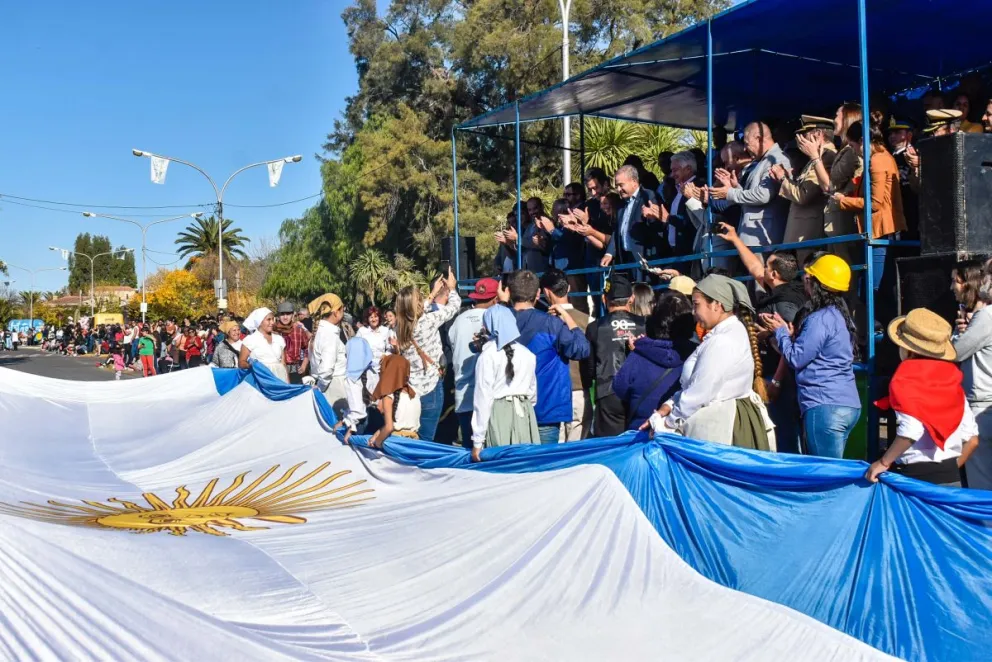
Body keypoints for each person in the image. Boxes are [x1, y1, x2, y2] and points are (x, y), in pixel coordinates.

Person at [644, 274, 775, 450]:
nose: (693, 312)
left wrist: (666, 424)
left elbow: (700, 392)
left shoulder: (722, 341)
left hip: (722, 432)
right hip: (718, 426)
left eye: (696, 305)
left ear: (717, 305)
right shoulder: (724, 334)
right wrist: (668, 406)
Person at [866, 309, 979, 487]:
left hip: (915, 480)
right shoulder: (952, 382)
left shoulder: (905, 380)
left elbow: (911, 430)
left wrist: (883, 463)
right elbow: (972, 439)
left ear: (908, 349)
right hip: (951, 477)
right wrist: (950, 471)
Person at [764, 254, 861, 458]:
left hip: (824, 405)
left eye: (808, 279)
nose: (804, 283)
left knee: (825, 473)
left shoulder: (820, 318)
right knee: (833, 470)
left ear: (815, 284)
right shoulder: (841, 316)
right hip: (847, 404)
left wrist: (781, 332)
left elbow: (796, 358)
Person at [508, 269, 590, 443]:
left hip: (508, 411)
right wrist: (568, 319)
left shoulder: (498, 323)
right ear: (538, 294)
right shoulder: (552, 323)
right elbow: (581, 349)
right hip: (546, 410)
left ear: (509, 292)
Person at [394, 267, 461, 441]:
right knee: (426, 437)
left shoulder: (399, 328)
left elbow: (413, 314)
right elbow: (454, 307)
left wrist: (432, 294)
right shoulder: (428, 321)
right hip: (431, 386)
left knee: (412, 434)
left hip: (411, 388)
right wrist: (452, 289)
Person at [614, 292, 694, 431]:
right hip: (682, 437)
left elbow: (620, 388)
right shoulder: (698, 354)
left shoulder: (639, 354)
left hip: (641, 437)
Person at [470, 304, 539, 461]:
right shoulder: (528, 354)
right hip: (524, 413)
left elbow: (483, 399)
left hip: (498, 416)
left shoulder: (487, 356)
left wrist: (478, 441)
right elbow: (532, 395)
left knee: (501, 469)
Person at [709, 121, 792, 251]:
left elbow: (764, 195)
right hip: (754, 236)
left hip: (763, 237)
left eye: (747, 144)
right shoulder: (763, 161)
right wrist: (735, 187)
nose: (744, 149)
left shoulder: (777, 159)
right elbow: (753, 196)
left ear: (759, 138)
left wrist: (730, 193)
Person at [584, 273, 646, 437]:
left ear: (605, 299)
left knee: (610, 447)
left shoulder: (594, 327)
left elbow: (589, 369)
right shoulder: (645, 324)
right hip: (640, 390)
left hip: (607, 391)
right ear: (631, 298)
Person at [951, 260, 992, 490]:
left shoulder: (986, 316)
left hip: (983, 409)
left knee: (981, 485)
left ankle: (984, 527)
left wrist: (957, 335)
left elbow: (955, 352)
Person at [447, 277, 500, 448]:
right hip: (489, 399)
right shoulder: (496, 319)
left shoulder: (458, 321)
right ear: (495, 299)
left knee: (469, 453)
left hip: (464, 396)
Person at [541, 269, 591, 441]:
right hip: (580, 390)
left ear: (546, 292)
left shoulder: (542, 323)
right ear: (568, 288)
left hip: (552, 393)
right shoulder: (589, 321)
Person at [777, 115, 836, 261]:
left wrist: (782, 179)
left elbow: (804, 195)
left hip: (808, 233)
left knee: (806, 276)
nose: (802, 139)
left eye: (806, 134)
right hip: (802, 232)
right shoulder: (817, 157)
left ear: (819, 135)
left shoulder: (827, 157)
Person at [819, 102, 863, 264]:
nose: (834, 120)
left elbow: (830, 185)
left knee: (847, 274)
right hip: (837, 223)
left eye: (837, 115)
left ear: (847, 119)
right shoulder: (846, 149)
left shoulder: (852, 151)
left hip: (844, 223)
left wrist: (815, 158)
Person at [602, 164, 660, 271]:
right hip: (625, 259)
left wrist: (652, 217)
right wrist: (610, 253)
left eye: (621, 185)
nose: (619, 189)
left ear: (634, 182)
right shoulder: (621, 204)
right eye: (617, 186)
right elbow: (617, 231)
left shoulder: (647, 196)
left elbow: (657, 226)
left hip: (643, 259)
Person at [366, 354, 421, 447]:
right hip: (413, 441)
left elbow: (389, 427)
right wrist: (376, 435)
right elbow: (399, 423)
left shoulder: (389, 396)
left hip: (396, 442)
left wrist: (377, 443)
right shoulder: (414, 394)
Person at [308, 293, 349, 412]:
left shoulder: (321, 332)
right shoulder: (329, 335)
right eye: (342, 309)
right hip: (333, 386)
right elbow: (326, 369)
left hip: (328, 383)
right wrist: (320, 388)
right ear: (336, 312)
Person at [334, 337, 377, 440]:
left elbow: (357, 411)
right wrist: (344, 420)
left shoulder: (352, 378)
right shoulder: (373, 371)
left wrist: (350, 429)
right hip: (375, 418)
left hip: (360, 424)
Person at [886, 116, 920, 240]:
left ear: (909, 135)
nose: (892, 136)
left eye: (898, 132)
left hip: (909, 203)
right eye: (891, 133)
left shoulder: (913, 154)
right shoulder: (890, 156)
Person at [239, 308, 289, 383]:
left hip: (280, 378)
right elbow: (241, 362)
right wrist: (253, 366)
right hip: (261, 379)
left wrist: (288, 383)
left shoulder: (279, 339)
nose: (272, 322)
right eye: (268, 319)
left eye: (273, 319)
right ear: (260, 322)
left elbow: (283, 363)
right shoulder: (250, 340)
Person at [356, 305, 392, 390]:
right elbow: (355, 348)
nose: (373, 319)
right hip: (367, 369)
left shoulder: (385, 330)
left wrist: (386, 355)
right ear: (367, 319)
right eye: (371, 317)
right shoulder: (362, 331)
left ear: (379, 317)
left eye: (375, 316)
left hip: (382, 368)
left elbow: (390, 348)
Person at [274, 301, 310, 384]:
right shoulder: (273, 331)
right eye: (282, 314)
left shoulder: (298, 330)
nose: (285, 317)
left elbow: (306, 349)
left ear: (292, 315)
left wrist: (304, 364)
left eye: (288, 314)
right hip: (278, 371)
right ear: (278, 316)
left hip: (295, 371)